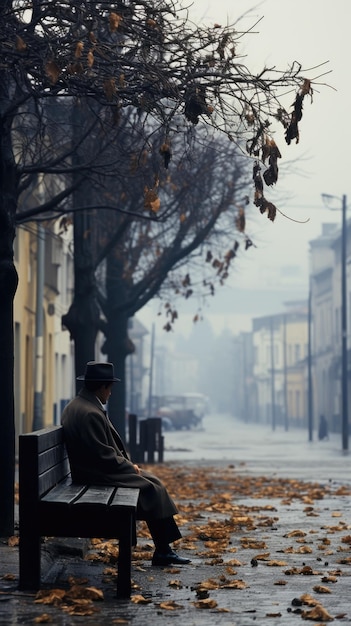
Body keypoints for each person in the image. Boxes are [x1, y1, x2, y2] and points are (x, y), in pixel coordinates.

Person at [61, 361, 191, 567]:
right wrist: (129, 467)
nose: (111, 393)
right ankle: (164, 550)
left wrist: (128, 466)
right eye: (109, 388)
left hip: (90, 469)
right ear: (102, 387)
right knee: (151, 488)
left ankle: (165, 549)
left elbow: (100, 451)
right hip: (94, 474)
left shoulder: (81, 405)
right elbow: (102, 455)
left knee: (153, 481)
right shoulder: (89, 412)